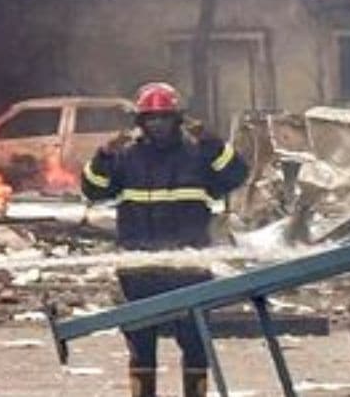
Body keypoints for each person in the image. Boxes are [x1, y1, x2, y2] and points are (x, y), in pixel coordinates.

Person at [81, 82, 250, 397]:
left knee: (195, 344)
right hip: (138, 270)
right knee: (141, 347)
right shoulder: (125, 158)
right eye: (151, 118)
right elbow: (93, 190)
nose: (158, 124)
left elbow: (237, 174)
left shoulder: (198, 156)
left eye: (164, 117)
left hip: (189, 270)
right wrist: (103, 156)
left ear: (178, 119)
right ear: (141, 122)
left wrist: (212, 142)